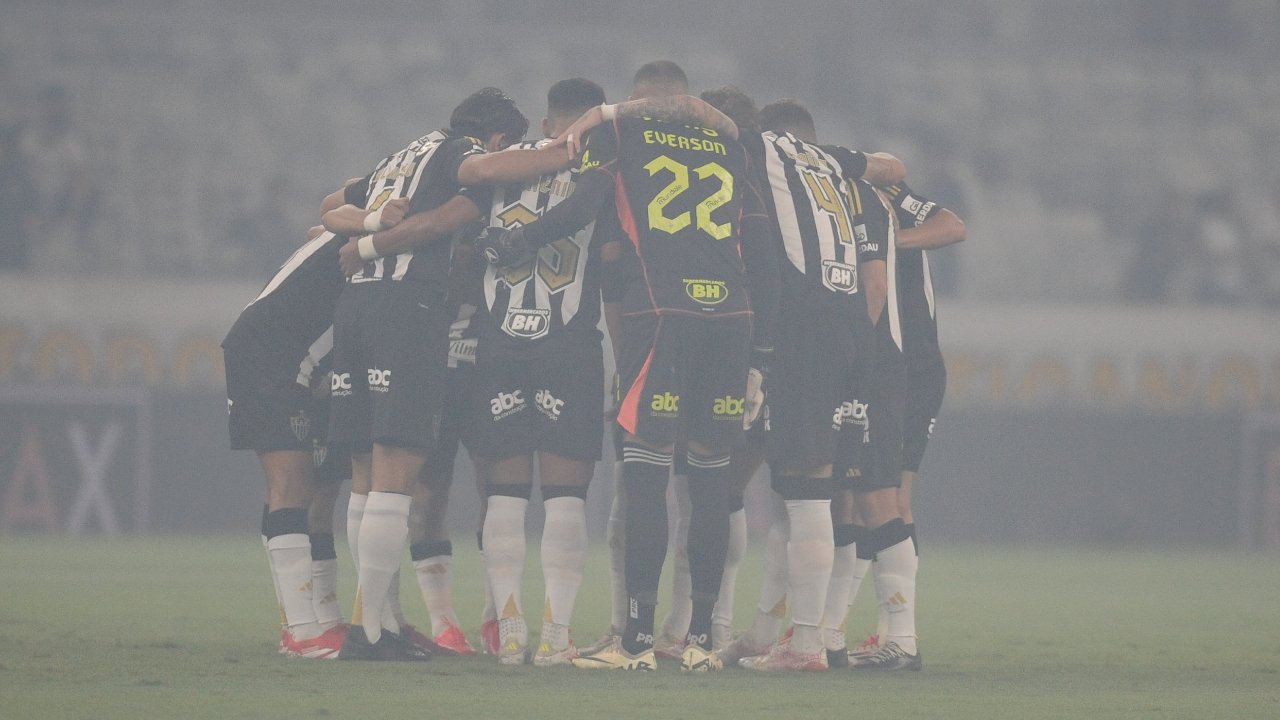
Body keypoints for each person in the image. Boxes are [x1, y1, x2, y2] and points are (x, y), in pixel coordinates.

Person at [480, 61, 779, 672]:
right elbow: (764, 252)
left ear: (637, 99)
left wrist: (526, 236)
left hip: (660, 312)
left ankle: (636, 641)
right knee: (711, 478)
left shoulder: (617, 132)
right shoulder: (728, 139)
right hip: (732, 318)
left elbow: (588, 202)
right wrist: (762, 356)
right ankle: (700, 640)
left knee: (645, 472)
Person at [322, 88, 578, 660]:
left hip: (357, 310)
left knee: (367, 474)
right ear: (494, 138)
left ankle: (378, 621)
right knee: (396, 472)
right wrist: (564, 153)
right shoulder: (461, 153)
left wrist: (363, 231)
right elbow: (481, 172)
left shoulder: (400, 157)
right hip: (406, 311)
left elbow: (326, 207)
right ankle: (371, 633)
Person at [718, 99, 904, 672]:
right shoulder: (837, 171)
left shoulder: (762, 153)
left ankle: (804, 646)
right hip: (853, 332)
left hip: (803, 331)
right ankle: (793, 636)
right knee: (809, 492)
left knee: (805, 494)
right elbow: (891, 167)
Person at [466, 78, 613, 667]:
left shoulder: (499, 169)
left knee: (503, 491)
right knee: (566, 496)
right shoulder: (604, 171)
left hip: (498, 342)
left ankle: (510, 628)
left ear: (550, 124)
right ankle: (557, 632)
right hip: (568, 341)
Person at [221, 174, 374, 659]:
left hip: (300, 362)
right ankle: (302, 632)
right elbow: (333, 213)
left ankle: (317, 621)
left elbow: (323, 223)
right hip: (270, 354)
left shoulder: (354, 232)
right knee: (288, 487)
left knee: (313, 491)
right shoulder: (373, 229)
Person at [841, 181, 964, 669]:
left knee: (884, 498)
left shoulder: (880, 192)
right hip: (890, 366)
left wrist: (886, 240)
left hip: (911, 366)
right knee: (859, 497)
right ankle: (871, 632)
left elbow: (954, 226)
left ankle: (895, 636)